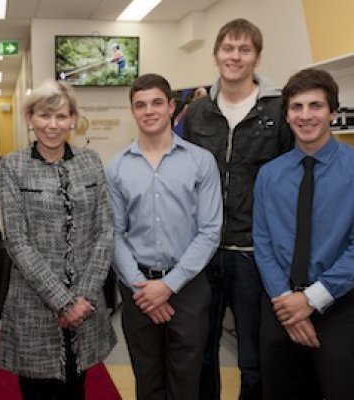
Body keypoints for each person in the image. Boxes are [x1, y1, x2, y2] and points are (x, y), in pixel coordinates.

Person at [183, 18, 294, 400]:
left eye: (244, 49)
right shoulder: (196, 114)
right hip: (203, 252)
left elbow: (291, 179)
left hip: (253, 255)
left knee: (253, 357)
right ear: (216, 55)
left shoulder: (278, 111)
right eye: (228, 48)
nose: (235, 56)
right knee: (201, 354)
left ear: (257, 57)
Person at [0, 79, 116, 400]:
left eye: (61, 116)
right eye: (44, 116)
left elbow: (105, 230)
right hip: (35, 306)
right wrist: (63, 301)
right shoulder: (13, 166)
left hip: (86, 305)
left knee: (78, 388)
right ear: (29, 118)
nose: (52, 125)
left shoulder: (90, 162)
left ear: (73, 120)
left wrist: (83, 298)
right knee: (36, 390)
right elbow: (17, 241)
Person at [106, 73, 222, 400]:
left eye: (157, 102)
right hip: (137, 288)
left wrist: (168, 286)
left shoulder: (201, 162)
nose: (149, 111)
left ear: (172, 106)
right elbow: (114, 233)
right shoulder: (116, 168)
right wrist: (141, 287)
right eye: (140, 105)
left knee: (186, 381)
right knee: (147, 379)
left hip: (188, 286)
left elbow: (210, 230)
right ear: (132, 112)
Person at [253, 68, 354, 400]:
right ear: (286, 115)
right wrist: (287, 303)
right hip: (279, 306)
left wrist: (310, 300)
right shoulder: (270, 175)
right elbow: (263, 244)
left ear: (333, 113)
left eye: (316, 106)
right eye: (297, 107)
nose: (305, 116)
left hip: (339, 307)